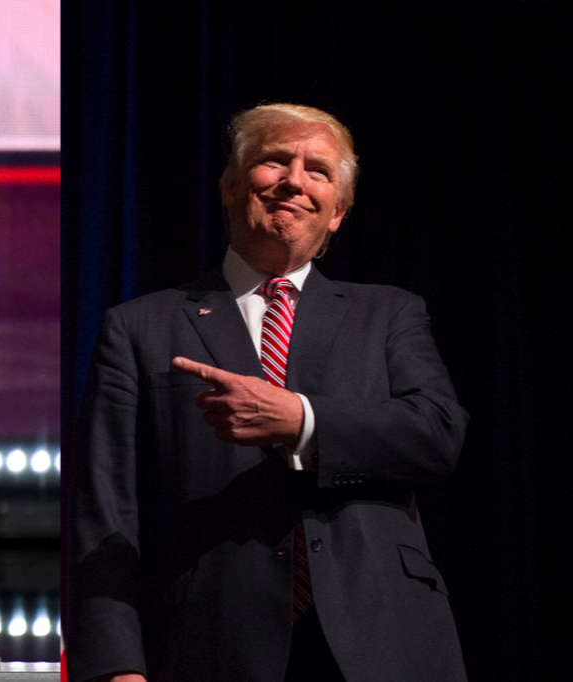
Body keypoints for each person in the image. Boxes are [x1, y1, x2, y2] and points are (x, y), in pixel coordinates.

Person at [67, 103, 468, 682]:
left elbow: (437, 434)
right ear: (230, 186)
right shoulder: (139, 327)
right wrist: (114, 666)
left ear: (338, 212)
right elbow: (103, 510)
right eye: (274, 161)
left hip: (385, 635)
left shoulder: (389, 313)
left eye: (318, 171)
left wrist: (302, 420)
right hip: (207, 640)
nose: (294, 181)